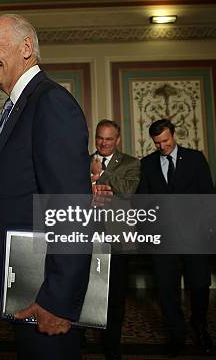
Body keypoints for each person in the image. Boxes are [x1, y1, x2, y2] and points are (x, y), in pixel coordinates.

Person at [0, 13, 92, 359]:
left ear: (26, 47)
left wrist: (58, 300)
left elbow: (71, 208)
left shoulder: (49, 102)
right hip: (24, 286)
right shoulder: (16, 108)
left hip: (45, 295)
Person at [136, 119, 213, 357]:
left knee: (199, 283)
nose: (163, 146)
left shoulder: (195, 158)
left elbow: (207, 196)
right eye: (157, 143)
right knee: (167, 287)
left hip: (194, 235)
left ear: (174, 135)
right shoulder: (147, 164)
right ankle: (176, 333)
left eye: (166, 140)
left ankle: (199, 325)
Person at [89, 119, 141, 360]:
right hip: (87, 235)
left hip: (118, 238)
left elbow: (127, 191)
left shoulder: (131, 163)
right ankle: (81, 338)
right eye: (100, 137)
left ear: (117, 140)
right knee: (87, 290)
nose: (103, 143)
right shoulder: (83, 160)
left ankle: (112, 345)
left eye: (109, 139)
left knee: (115, 294)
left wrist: (101, 174)